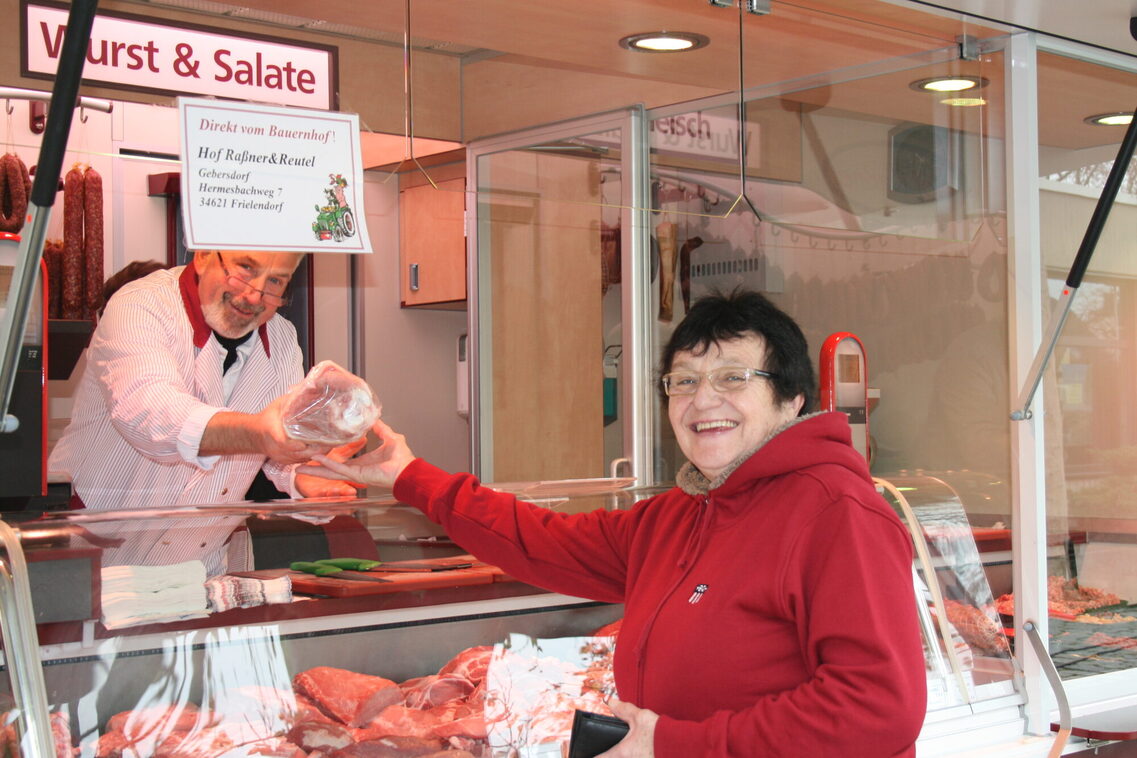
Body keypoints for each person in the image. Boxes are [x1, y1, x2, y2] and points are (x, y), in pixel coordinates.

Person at [305, 289, 927, 757]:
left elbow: (878, 707)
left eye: (733, 378)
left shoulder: (836, 512)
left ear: (792, 400)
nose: (703, 400)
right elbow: (540, 540)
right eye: (683, 381)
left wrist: (674, 744)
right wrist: (410, 475)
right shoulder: (680, 515)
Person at [50, 249, 358, 573]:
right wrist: (258, 433)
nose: (254, 295)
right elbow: (152, 414)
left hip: (197, 568)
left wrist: (298, 476)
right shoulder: (140, 303)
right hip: (93, 560)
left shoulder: (281, 338)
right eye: (245, 268)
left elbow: (277, 446)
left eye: (275, 281)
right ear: (204, 256)